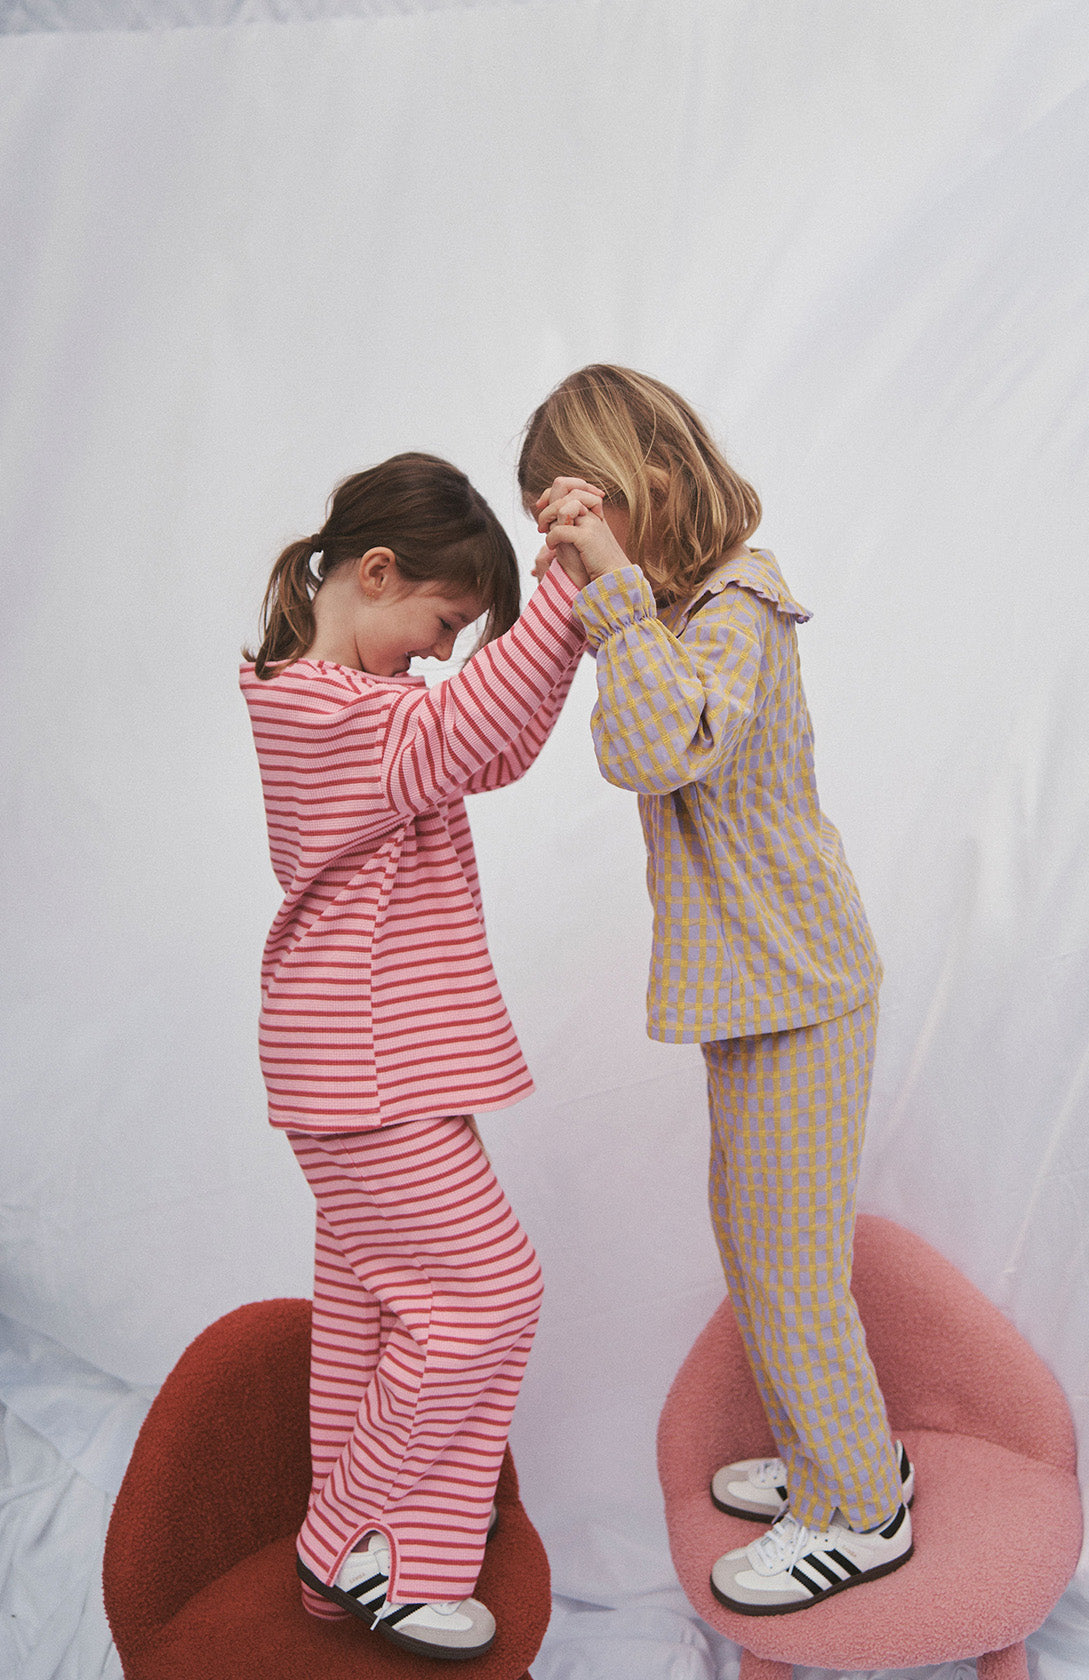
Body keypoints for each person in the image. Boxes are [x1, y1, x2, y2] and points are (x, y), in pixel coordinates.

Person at [517, 365, 914, 1617]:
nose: (574, 550)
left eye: (585, 517)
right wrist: (605, 603)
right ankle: (827, 1458)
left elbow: (660, 745)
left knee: (793, 1268)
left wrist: (613, 607)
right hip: (752, 991)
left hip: (797, 986)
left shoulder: (735, 602)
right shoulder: (665, 618)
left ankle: (861, 1508)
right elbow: (632, 736)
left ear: (658, 485)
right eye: (553, 525)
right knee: (753, 1249)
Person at [240, 452, 588, 1658]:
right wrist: (570, 593)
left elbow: (492, 745)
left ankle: (400, 1566)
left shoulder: (375, 715)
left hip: (375, 1064)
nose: (440, 652)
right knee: (490, 1297)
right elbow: (469, 718)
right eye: (439, 623)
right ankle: (339, 1538)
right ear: (376, 573)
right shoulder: (320, 710)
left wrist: (560, 598)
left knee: (377, 1320)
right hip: (364, 1065)